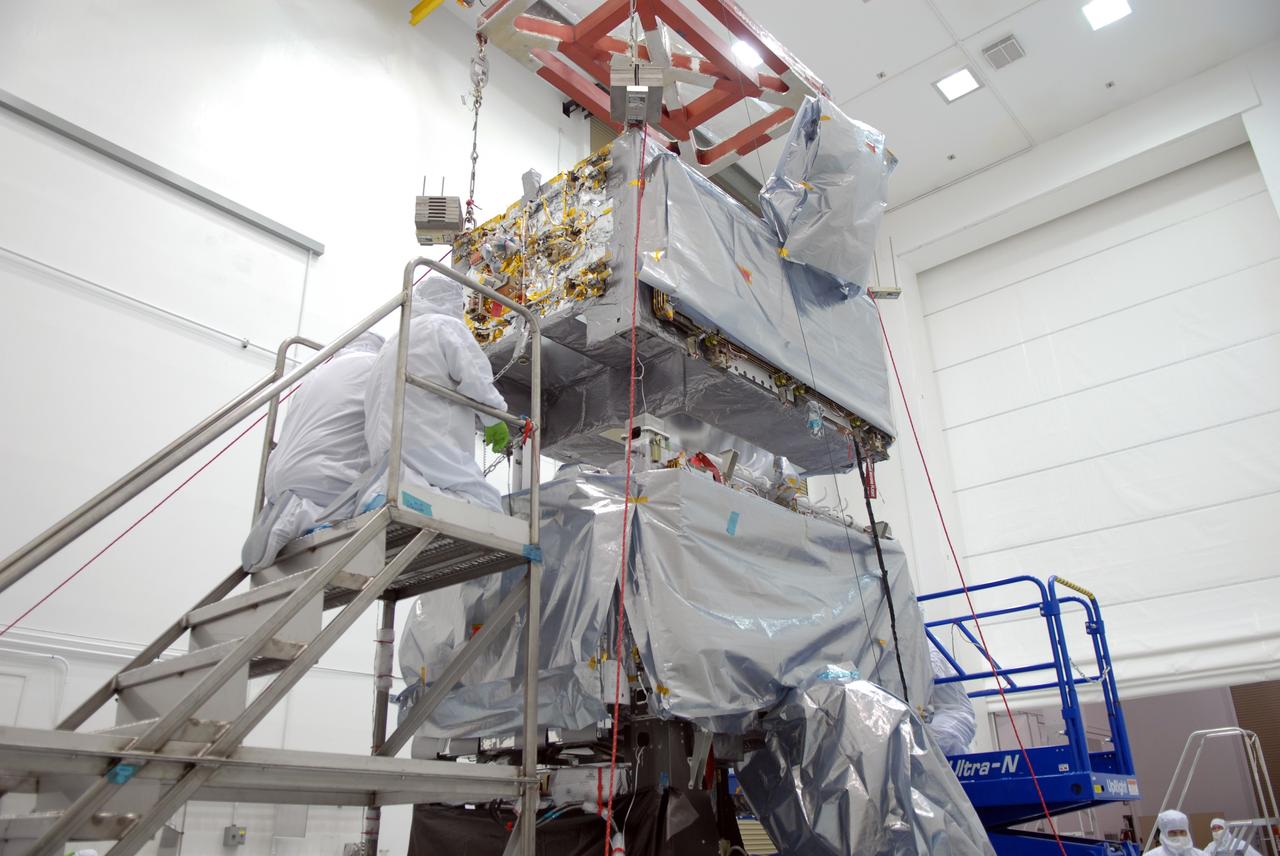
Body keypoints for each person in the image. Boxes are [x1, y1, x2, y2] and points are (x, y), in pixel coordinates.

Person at [364, 274, 509, 512]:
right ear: (454, 304)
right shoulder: (444, 325)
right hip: (428, 438)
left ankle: (389, 495)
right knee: (488, 504)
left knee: (415, 481)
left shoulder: (393, 341)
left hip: (385, 447)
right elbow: (474, 377)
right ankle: (409, 499)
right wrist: (495, 418)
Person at [241, 331, 384, 571]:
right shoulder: (375, 368)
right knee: (367, 499)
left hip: (278, 477)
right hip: (320, 477)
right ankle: (301, 515)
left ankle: (279, 511)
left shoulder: (317, 373)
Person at [923, 647, 977, 756]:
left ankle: (964, 766)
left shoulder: (929, 645)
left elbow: (933, 675)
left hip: (954, 713)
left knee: (941, 738)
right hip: (932, 715)